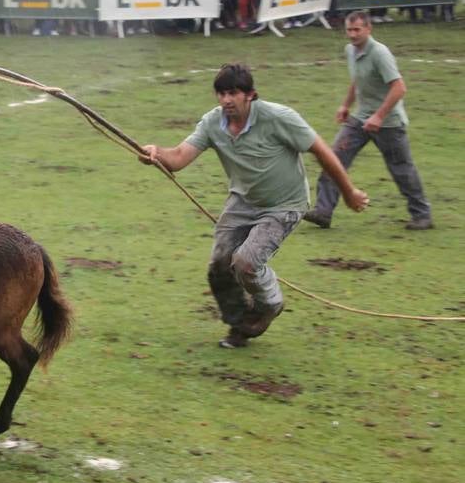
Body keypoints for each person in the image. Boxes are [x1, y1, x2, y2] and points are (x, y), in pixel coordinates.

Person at [140, 63, 367, 349]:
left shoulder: (279, 118)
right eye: (221, 93)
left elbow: (321, 150)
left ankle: (270, 304)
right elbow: (179, 158)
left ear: (251, 95)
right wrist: (155, 153)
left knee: (246, 262)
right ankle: (240, 324)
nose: (226, 100)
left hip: (284, 205)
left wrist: (348, 192)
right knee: (220, 266)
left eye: (233, 93)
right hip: (243, 201)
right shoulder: (213, 122)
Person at [305, 12, 432, 231]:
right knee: (333, 159)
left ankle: (422, 215)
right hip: (360, 118)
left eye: (357, 30)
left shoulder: (380, 53)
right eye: (349, 30)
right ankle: (323, 211)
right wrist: (346, 105)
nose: (352, 34)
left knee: (401, 169)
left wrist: (379, 116)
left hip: (389, 124)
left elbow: (399, 87)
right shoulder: (351, 51)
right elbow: (357, 80)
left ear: (368, 29)